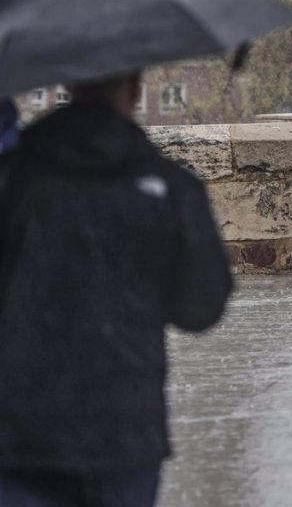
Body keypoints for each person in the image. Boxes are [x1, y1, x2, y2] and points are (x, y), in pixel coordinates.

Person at [0, 72, 234, 506]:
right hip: (125, 432)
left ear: (68, 86)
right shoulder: (172, 187)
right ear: (134, 90)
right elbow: (200, 309)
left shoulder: (13, 178)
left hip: (21, 432)